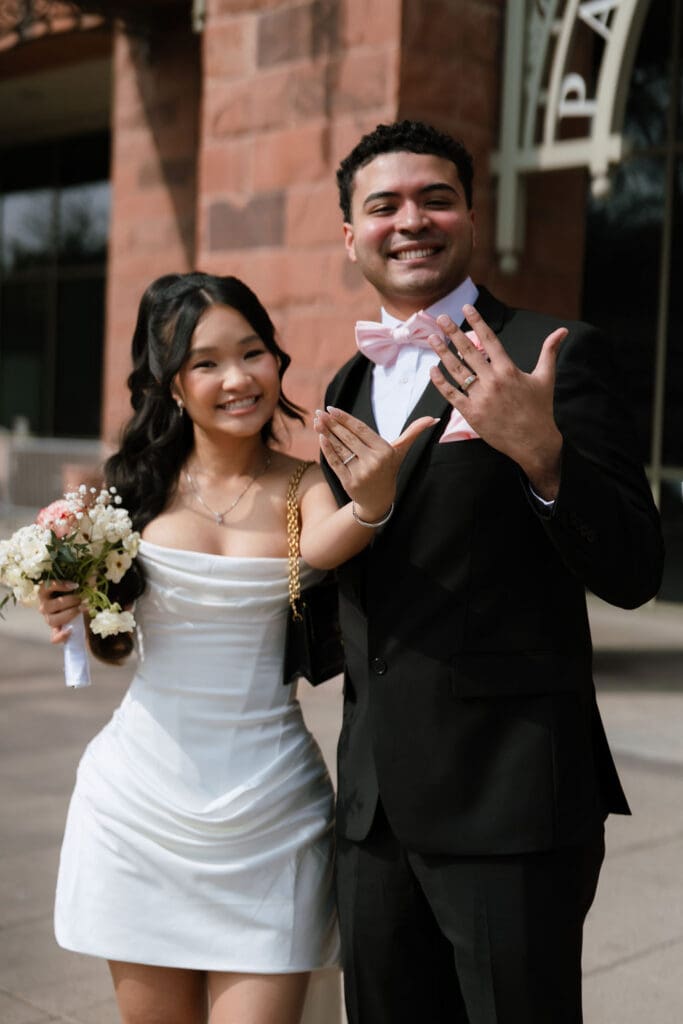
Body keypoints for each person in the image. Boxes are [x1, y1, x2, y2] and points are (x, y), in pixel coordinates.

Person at [314, 120, 665, 1024]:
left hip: (506, 805)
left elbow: (633, 568)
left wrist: (542, 453)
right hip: (372, 813)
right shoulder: (344, 386)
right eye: (381, 205)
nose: (410, 220)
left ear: (471, 215)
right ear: (349, 234)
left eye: (435, 197)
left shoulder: (553, 349)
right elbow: (343, 580)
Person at [39, 271, 434, 1024]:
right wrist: (69, 601)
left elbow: (327, 539)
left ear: (277, 361)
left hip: (271, 817)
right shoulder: (127, 492)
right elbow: (110, 644)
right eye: (206, 363)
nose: (236, 378)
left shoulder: (302, 487)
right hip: (137, 808)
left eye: (252, 353)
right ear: (171, 384)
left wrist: (374, 502)